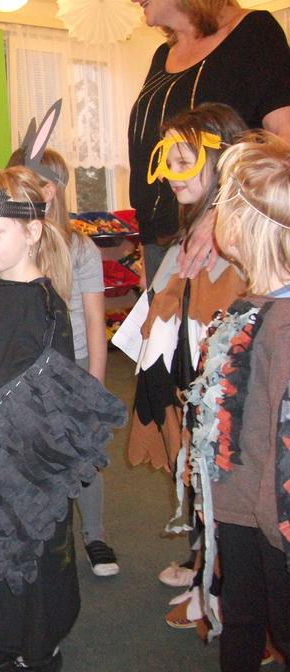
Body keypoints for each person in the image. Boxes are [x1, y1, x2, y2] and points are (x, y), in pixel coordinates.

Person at [0, 167, 124, 671]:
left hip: (28, 464)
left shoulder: (45, 304)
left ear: (33, 231)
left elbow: (49, 381)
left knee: (29, 544)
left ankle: (40, 644)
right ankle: (0, 632)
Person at [122, 106, 247, 608]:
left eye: (185, 160)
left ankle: (222, 590)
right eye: (167, 160)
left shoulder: (240, 232)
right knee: (198, 473)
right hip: (191, 377)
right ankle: (204, 568)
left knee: (222, 481)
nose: (172, 173)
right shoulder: (193, 223)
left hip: (227, 390)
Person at [182, 131, 290, 671]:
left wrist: (274, 523)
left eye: (223, 203)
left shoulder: (284, 327)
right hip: (240, 505)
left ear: (248, 224)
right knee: (242, 615)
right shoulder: (252, 302)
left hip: (275, 519)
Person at [128, 0, 290, 284]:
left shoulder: (253, 33)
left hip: (221, 245)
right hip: (160, 244)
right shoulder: (163, 54)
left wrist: (222, 214)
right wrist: (147, 245)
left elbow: (284, 139)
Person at [25, 148, 118, 577]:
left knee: (80, 453)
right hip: (26, 366)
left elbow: (95, 319)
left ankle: (94, 534)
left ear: (50, 190)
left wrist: (94, 382)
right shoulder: (14, 240)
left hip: (74, 362)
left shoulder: (80, 247)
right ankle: (40, 536)